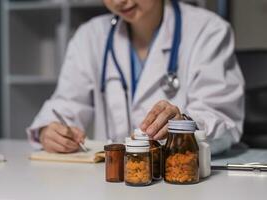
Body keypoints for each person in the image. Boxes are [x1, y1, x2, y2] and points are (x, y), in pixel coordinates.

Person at [27, 0, 244, 155]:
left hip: (179, 179)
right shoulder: (90, 36)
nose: (119, 1)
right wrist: (50, 131)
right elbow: (67, 103)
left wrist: (184, 126)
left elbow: (222, 118)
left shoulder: (208, 31)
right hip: (111, 182)